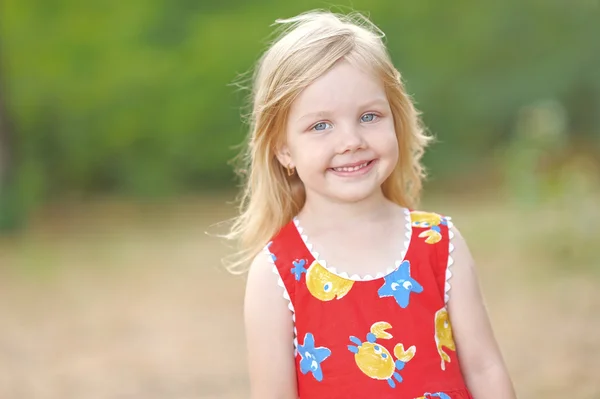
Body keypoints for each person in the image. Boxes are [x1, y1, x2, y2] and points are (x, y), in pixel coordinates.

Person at [226, 9, 516, 399]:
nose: (351, 141)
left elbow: (485, 368)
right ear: (283, 149)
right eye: (320, 126)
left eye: (369, 116)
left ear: (395, 119)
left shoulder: (438, 243)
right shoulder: (276, 273)